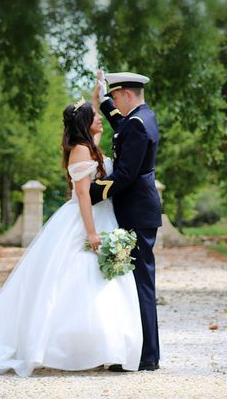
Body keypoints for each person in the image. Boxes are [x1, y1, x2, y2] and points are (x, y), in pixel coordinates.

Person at [0, 80, 142, 377]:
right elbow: (82, 195)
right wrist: (91, 233)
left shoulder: (90, 145)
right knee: (78, 281)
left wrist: (98, 93)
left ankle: (103, 347)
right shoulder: (81, 151)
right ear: (84, 124)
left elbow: (98, 122)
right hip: (86, 220)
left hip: (104, 217)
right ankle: (68, 348)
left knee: (102, 283)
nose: (101, 120)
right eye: (95, 117)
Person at [90, 71, 162, 372]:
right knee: (137, 282)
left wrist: (87, 192)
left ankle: (145, 356)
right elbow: (120, 125)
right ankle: (143, 353)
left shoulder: (137, 125)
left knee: (139, 284)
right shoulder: (142, 118)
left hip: (136, 211)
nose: (116, 103)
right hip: (140, 211)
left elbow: (124, 176)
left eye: (117, 97)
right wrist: (103, 97)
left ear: (128, 95)